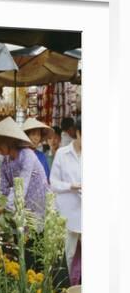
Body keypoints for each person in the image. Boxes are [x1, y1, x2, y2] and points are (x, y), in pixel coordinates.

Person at [0, 117, 49, 221]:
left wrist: (4, 208)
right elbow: (3, 189)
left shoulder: (27, 156)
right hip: (21, 210)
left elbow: (21, 188)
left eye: (0, 142)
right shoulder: (6, 161)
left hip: (38, 208)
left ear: (10, 142)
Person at [50, 116, 82, 282]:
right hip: (67, 215)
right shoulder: (62, 154)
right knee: (66, 257)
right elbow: (53, 183)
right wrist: (71, 186)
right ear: (77, 133)